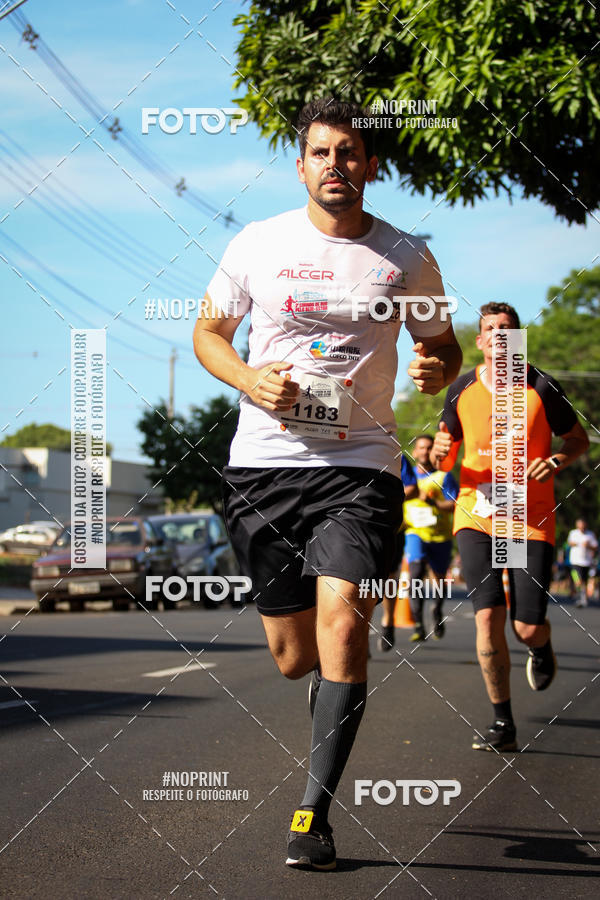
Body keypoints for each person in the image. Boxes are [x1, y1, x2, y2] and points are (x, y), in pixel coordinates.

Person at [193, 97, 462, 869]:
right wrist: (249, 378)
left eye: (349, 152)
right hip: (264, 465)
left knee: (344, 628)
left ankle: (313, 815)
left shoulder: (407, 256)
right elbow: (208, 332)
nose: (335, 165)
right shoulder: (258, 242)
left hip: (361, 465)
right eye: (321, 152)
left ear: (371, 165)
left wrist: (435, 368)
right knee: (294, 655)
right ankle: (325, 694)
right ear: (301, 165)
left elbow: (442, 347)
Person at [431, 302, 589, 752]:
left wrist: (555, 460)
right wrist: (439, 452)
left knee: (525, 627)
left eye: (507, 328)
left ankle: (540, 645)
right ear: (480, 341)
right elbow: (443, 455)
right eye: (491, 329)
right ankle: (503, 724)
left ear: (518, 338)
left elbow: (577, 440)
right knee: (487, 615)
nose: (499, 335)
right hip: (476, 515)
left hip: (525, 521)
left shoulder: (541, 386)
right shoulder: (461, 390)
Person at [402, 434, 458, 642]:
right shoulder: (407, 477)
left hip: (440, 535)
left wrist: (433, 503)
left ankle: (437, 610)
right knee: (415, 573)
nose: (425, 451)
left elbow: (454, 505)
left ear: (435, 451)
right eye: (421, 447)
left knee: (439, 579)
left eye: (429, 447)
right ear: (415, 452)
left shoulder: (444, 476)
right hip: (415, 532)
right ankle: (418, 624)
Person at [377, 453, 418, 652]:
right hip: (355, 528)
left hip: (392, 528)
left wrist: (386, 497)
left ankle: (388, 620)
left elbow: (413, 488)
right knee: (355, 579)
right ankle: (359, 629)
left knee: (389, 578)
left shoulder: (395, 454)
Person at [567, 518, 598, 607]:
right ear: (577, 526)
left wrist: (588, 545)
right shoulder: (573, 533)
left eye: (583, 526)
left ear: (586, 525)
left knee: (584, 581)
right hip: (575, 561)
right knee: (578, 579)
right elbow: (569, 543)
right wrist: (577, 543)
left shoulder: (590, 534)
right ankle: (580, 596)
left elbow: (595, 547)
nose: (582, 528)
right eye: (580, 526)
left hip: (586, 562)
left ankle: (582, 597)